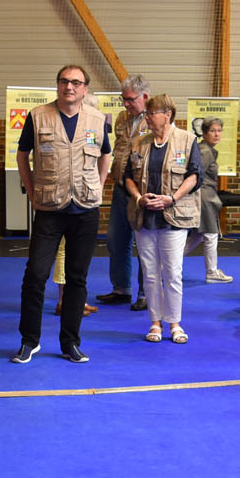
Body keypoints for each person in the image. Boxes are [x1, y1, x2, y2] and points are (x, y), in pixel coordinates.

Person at [13, 64, 113, 363]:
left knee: (77, 278)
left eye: (76, 83)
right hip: (49, 207)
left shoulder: (97, 119)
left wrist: (99, 184)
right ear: (57, 85)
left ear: (85, 89)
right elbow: (22, 155)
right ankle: (29, 341)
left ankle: (70, 342)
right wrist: (32, 192)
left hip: (85, 208)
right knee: (35, 275)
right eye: (64, 81)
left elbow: (106, 153)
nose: (69, 87)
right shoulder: (38, 116)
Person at [125, 94, 202, 343]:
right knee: (150, 273)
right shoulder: (139, 143)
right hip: (144, 217)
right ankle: (155, 322)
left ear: (167, 114)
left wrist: (172, 198)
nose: (147, 117)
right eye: (146, 113)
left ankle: (175, 323)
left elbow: (194, 175)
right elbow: (127, 177)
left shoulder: (188, 140)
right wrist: (139, 198)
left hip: (174, 218)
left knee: (173, 272)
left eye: (151, 113)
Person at [96, 74, 150, 309]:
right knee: (116, 240)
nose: (126, 104)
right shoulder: (122, 118)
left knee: (145, 245)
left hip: (143, 192)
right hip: (120, 187)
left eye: (130, 99)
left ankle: (146, 294)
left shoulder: (156, 119)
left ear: (144, 96)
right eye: (123, 99)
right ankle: (121, 289)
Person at [187, 117, 233, 283]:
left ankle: (167, 265)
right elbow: (195, 175)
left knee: (198, 236)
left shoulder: (207, 150)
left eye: (219, 131)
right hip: (204, 197)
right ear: (204, 133)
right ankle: (212, 272)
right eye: (212, 131)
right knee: (211, 234)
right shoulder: (205, 151)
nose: (217, 134)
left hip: (206, 196)